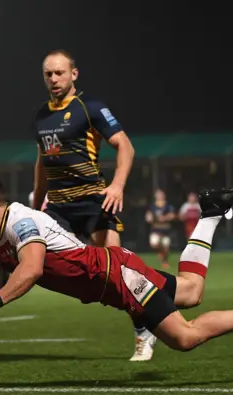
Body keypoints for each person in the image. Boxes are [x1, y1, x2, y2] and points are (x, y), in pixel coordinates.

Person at [0, 177, 233, 350]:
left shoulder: (20, 220)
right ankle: (212, 214)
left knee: (184, 338)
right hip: (114, 278)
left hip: (119, 276)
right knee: (191, 290)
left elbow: (29, 270)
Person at [30, 49, 154, 360]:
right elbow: (42, 163)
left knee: (118, 270)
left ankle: (144, 328)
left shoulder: (90, 108)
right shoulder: (41, 117)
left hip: (93, 203)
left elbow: (125, 146)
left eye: (60, 73)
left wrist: (117, 185)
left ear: (74, 74)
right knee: (36, 259)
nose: (54, 79)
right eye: (49, 74)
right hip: (57, 207)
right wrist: (35, 203)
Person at [146, 189, 176, 269]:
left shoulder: (168, 206)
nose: (159, 196)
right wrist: (150, 218)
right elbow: (148, 216)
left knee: (166, 247)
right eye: (158, 194)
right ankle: (160, 253)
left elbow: (172, 215)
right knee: (154, 244)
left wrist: (164, 218)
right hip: (156, 229)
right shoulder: (152, 206)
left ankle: (165, 261)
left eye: (161, 194)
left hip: (165, 229)